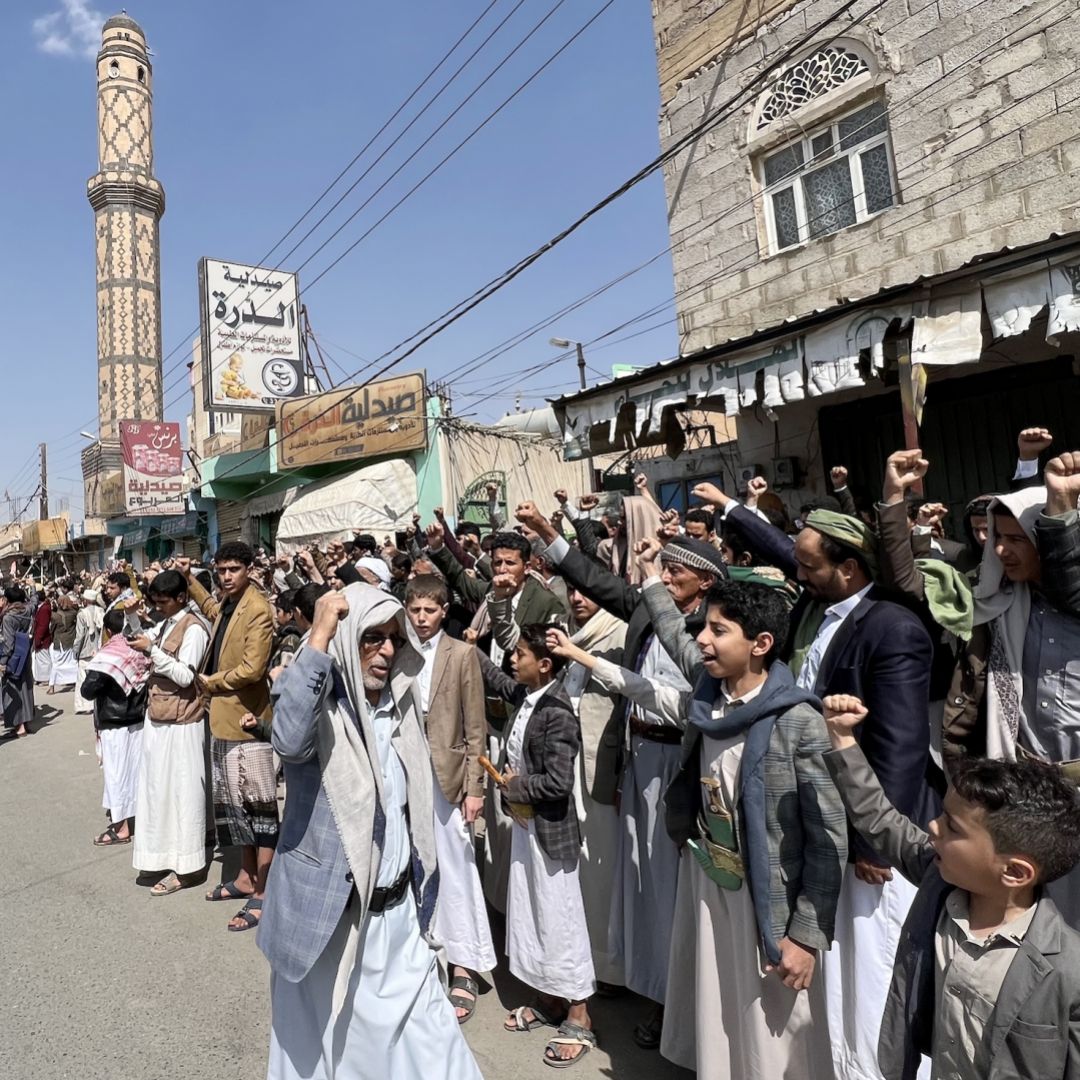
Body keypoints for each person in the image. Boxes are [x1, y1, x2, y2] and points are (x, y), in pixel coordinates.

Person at [553, 577, 848, 1078]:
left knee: (770, 1028)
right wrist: (649, 576)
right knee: (717, 1006)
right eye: (704, 627)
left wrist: (805, 934)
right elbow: (672, 629)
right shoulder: (707, 697)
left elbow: (828, 837)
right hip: (710, 882)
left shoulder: (797, 720)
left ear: (760, 645)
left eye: (718, 630)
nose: (703, 640)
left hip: (765, 899)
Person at [695, 480, 936, 1080]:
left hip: (869, 837)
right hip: (823, 818)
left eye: (807, 563)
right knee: (833, 992)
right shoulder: (814, 606)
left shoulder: (892, 629)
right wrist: (732, 509)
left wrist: (876, 841)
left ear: (848, 569)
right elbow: (785, 550)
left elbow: (900, 748)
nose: (795, 570)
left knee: (871, 978)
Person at [519, 499, 726, 1047]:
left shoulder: (711, 630)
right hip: (636, 760)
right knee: (635, 879)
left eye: (676, 571)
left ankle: (672, 1002)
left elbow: (669, 698)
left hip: (678, 765)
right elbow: (595, 578)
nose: (665, 576)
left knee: (667, 885)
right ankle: (643, 979)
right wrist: (547, 534)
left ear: (704, 584)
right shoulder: (648, 609)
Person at [260, 585, 483, 1080]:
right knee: (331, 1053)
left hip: (400, 919)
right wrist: (319, 633)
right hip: (333, 923)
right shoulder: (316, 702)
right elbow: (290, 739)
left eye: (392, 638)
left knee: (435, 1043)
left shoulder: (401, 707)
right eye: (370, 638)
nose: (386, 650)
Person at [822, 693, 1080, 1080]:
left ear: (1014, 872)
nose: (932, 826)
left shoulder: (1067, 969)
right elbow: (878, 816)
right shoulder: (937, 882)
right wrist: (842, 738)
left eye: (952, 827)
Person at [426, 523, 566, 913]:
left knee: (516, 806)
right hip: (493, 708)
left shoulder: (545, 601)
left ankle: (520, 901)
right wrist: (440, 548)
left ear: (529, 565)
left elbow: (518, 646)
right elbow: (463, 583)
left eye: (510, 563)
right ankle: (498, 895)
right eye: (497, 562)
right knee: (496, 812)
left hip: (526, 707)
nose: (502, 569)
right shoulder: (491, 592)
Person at [479, 625, 597, 1067]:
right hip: (529, 833)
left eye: (521, 654)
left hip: (550, 834)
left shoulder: (558, 712)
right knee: (533, 916)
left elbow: (558, 782)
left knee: (561, 921)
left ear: (544, 665)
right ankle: (550, 1000)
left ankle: (580, 1013)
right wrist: (471, 651)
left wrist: (515, 784)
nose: (514, 660)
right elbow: (501, 680)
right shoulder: (531, 698)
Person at [404, 574, 495, 1024]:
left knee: (457, 865)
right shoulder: (398, 651)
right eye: (415, 610)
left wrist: (475, 787)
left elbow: (476, 727)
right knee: (413, 863)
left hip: (450, 775)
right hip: (405, 771)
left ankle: (465, 964)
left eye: (429, 611)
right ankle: (423, 952)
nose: (421, 619)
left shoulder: (460, 654)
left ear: (443, 612)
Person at [176, 547, 276, 933]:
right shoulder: (230, 603)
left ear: (249, 569)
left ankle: (265, 891)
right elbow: (215, 613)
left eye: (234, 569)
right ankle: (246, 877)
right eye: (221, 571)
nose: (227, 576)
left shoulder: (259, 609)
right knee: (236, 811)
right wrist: (189, 579)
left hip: (247, 723)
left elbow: (253, 668)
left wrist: (208, 683)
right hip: (222, 721)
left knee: (261, 810)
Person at [128, 570, 212, 896]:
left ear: (181, 598)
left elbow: (184, 675)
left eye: (163, 602)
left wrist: (153, 651)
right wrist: (134, 622)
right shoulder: (166, 624)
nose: (159, 607)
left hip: (183, 726)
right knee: (157, 793)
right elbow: (150, 643)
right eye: (156, 602)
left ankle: (187, 868)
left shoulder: (194, 629)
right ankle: (162, 856)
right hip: (159, 721)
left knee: (183, 797)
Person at [83, 608, 151, 847]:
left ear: (108, 630)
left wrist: (95, 669)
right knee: (136, 772)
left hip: (115, 724)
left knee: (116, 775)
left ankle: (121, 828)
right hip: (137, 720)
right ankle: (138, 819)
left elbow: (87, 690)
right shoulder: (140, 649)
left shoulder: (108, 655)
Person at [0, 586, 35, 738]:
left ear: (7, 600)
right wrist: (32, 586)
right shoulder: (27, 610)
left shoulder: (8, 618)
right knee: (26, 688)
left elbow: (8, 644)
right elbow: (35, 600)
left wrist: (3, 662)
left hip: (13, 658)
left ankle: (20, 727)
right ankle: (26, 722)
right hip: (25, 655)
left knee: (12, 690)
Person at [72, 589, 104, 714]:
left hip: (86, 650)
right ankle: (96, 702)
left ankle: (85, 705)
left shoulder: (82, 614)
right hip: (99, 649)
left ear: (85, 600)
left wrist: (76, 651)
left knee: (82, 678)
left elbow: (79, 636)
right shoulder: (101, 611)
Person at [47, 594, 78, 693]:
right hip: (71, 641)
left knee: (56, 663)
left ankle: (52, 687)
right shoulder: (74, 613)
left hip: (59, 641)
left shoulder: (55, 616)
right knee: (72, 663)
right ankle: (74, 683)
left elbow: (51, 629)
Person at [30, 590, 52, 686]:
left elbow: (43, 625)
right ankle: (40, 677)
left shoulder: (44, 609)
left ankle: (46, 678)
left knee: (44, 659)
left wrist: (38, 638)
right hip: (39, 636)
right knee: (39, 659)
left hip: (42, 638)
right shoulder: (42, 608)